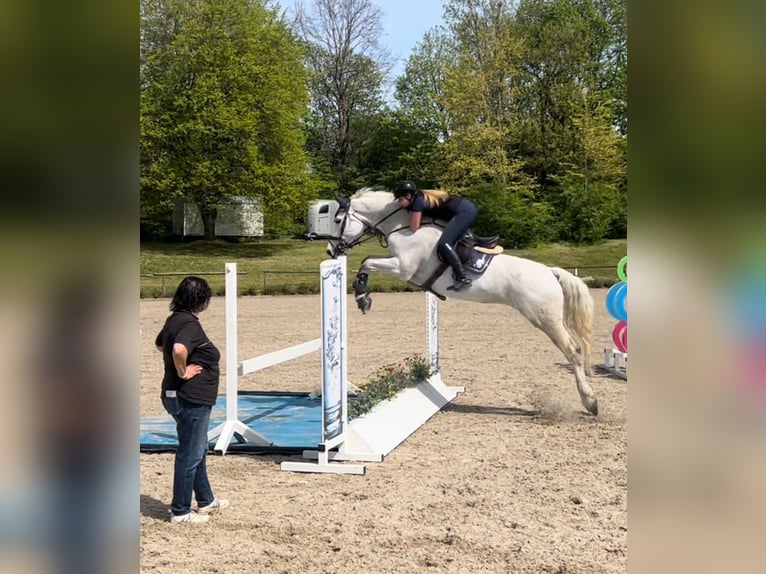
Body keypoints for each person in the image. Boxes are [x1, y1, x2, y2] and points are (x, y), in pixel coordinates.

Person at [155, 276, 229, 524]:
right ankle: (181, 510)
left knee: (196, 448)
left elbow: (160, 344)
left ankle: (206, 500)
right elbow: (177, 349)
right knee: (191, 452)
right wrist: (183, 371)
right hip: (191, 397)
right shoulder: (189, 325)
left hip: (176, 395)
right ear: (201, 301)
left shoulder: (174, 320)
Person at [393, 180, 478, 291]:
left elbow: (414, 227)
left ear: (408, 196)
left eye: (400, 199)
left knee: (444, 243)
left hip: (464, 211)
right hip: (464, 209)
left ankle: (462, 277)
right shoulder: (418, 198)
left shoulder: (418, 201)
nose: (400, 203)